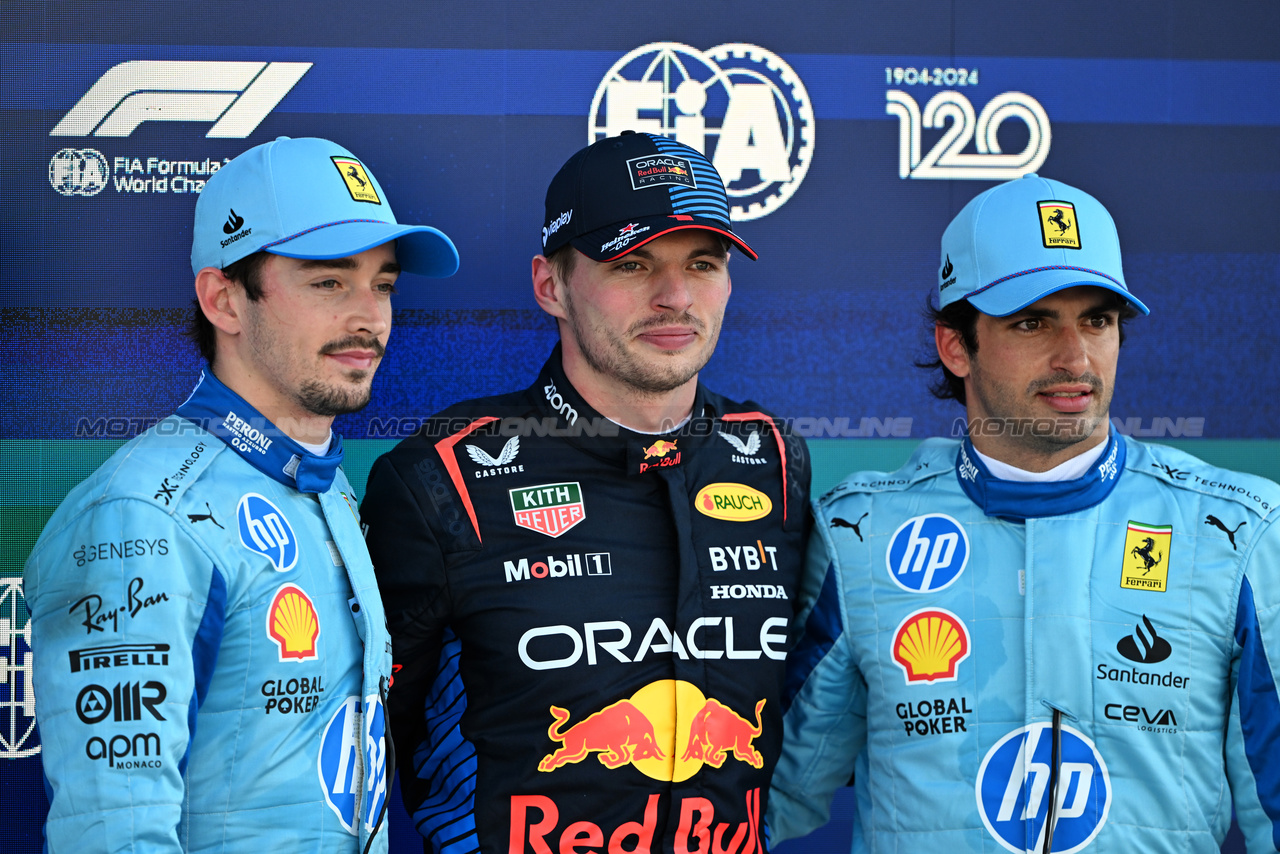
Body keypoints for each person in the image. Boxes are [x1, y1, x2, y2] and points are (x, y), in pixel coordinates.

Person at [767, 173, 1280, 852]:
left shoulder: (1238, 529)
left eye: (1097, 320)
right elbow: (764, 799)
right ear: (956, 344)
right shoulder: (861, 534)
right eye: (1033, 321)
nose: (1076, 357)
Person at [361, 131, 812, 854]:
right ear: (551, 285)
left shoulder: (772, 459)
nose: (675, 297)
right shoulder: (444, 477)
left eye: (704, 263)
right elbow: (359, 750)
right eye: (633, 263)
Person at [23, 136, 459, 852]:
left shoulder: (321, 482)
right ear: (224, 299)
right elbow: (113, 833)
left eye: (383, 284)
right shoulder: (142, 514)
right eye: (329, 281)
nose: (369, 317)